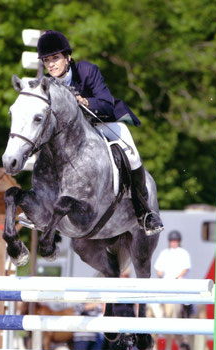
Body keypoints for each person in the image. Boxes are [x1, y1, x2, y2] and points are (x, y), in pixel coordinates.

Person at [36, 30, 163, 237]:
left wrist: (84, 101)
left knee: (131, 152)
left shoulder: (87, 71)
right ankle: (41, 203)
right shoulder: (46, 84)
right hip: (69, 136)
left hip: (101, 122)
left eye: (55, 58)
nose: (51, 64)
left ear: (67, 57)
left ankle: (144, 211)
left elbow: (106, 103)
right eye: (46, 60)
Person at [153, 230, 192, 350]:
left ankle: (185, 324)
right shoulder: (164, 253)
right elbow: (158, 268)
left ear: (178, 241)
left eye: (175, 241)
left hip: (178, 283)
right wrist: (160, 274)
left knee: (186, 303)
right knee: (154, 303)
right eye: (172, 241)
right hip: (166, 283)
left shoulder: (183, 253)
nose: (173, 243)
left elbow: (186, 268)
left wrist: (177, 277)